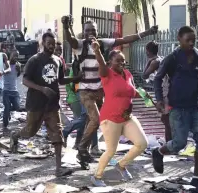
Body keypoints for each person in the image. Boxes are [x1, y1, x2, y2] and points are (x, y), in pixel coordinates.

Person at [61, 15, 158, 169]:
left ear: (97, 32)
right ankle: (82, 148)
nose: (90, 33)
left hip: (100, 90)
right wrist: (66, 26)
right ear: (84, 32)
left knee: (96, 121)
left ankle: (86, 152)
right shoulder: (79, 45)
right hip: (86, 90)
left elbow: (125, 39)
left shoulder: (103, 43)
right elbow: (70, 39)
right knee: (95, 119)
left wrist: (146, 33)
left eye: (93, 30)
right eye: (87, 30)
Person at [9, 32, 82, 177]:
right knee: (30, 131)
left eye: (53, 43)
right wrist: (42, 88)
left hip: (52, 105)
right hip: (36, 103)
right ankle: (15, 135)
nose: (51, 46)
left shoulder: (58, 61)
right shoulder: (34, 60)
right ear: (43, 43)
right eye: (49, 43)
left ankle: (58, 168)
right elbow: (25, 81)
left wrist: (75, 78)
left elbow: (60, 80)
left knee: (57, 134)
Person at [152, 26, 198, 191]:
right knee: (179, 143)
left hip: (194, 107)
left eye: (193, 40)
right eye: (188, 40)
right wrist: (159, 100)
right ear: (179, 39)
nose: (191, 43)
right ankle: (158, 152)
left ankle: (196, 178)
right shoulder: (172, 58)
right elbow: (157, 79)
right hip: (177, 108)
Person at [89, 45, 148, 186]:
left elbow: (133, 92)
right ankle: (97, 176)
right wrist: (97, 51)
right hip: (110, 118)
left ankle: (121, 165)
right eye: (118, 61)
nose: (121, 64)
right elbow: (102, 64)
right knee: (111, 150)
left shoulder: (127, 74)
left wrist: (147, 100)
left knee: (142, 144)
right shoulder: (107, 74)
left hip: (126, 117)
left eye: (123, 61)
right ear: (110, 62)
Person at [141, 41, 170, 142]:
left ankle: (169, 142)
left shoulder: (154, 62)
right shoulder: (160, 58)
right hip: (163, 89)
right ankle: (169, 141)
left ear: (148, 51)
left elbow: (144, 75)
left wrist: (148, 61)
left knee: (166, 118)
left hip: (164, 91)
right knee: (165, 117)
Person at [2, 50, 22, 132]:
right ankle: (5, 126)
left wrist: (19, 69)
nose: (16, 57)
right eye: (14, 55)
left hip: (14, 90)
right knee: (7, 107)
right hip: (6, 90)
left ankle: (8, 111)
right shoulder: (6, 64)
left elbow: (18, 74)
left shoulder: (18, 65)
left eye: (17, 56)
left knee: (17, 107)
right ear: (10, 55)